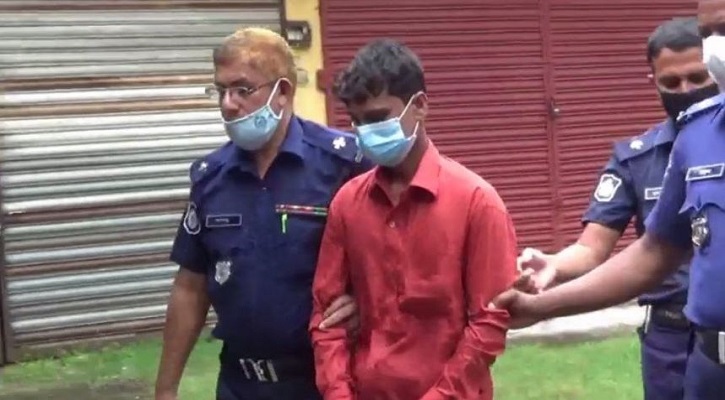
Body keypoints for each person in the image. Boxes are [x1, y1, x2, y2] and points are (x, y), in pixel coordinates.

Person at [494, 1, 725, 398]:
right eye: (708, 34)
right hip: (702, 356)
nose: (716, 47)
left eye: (724, 30)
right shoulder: (696, 137)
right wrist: (542, 301)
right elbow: (652, 251)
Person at [154, 27, 371, 400]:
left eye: (242, 89)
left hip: (325, 382)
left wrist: (368, 300)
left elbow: (396, 254)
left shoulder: (344, 164)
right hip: (239, 384)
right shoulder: (211, 177)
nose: (228, 104)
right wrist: (165, 390)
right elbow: (190, 287)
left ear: (282, 92)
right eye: (220, 90)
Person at [309, 39, 519, 400]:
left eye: (377, 118)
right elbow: (326, 318)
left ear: (420, 106)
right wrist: (338, 394)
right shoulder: (347, 203)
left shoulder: (477, 203)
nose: (365, 132)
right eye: (357, 122)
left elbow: (489, 323)